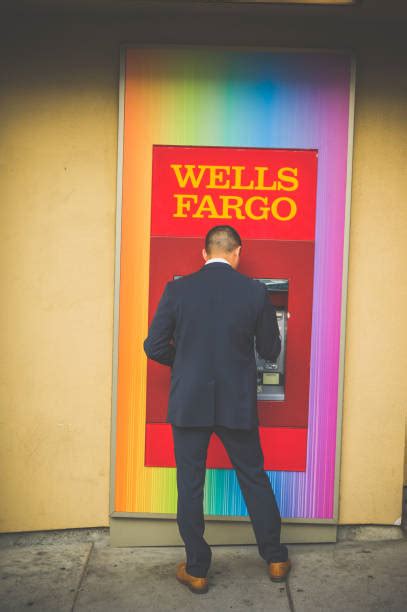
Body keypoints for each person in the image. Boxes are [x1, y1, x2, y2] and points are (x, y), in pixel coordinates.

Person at [143, 225, 290, 594]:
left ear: (204, 253)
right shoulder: (255, 292)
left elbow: (154, 345)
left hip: (189, 401)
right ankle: (274, 558)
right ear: (237, 252)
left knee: (190, 484)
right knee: (253, 476)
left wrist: (186, 363)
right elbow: (271, 350)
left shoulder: (177, 290)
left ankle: (196, 568)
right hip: (236, 402)